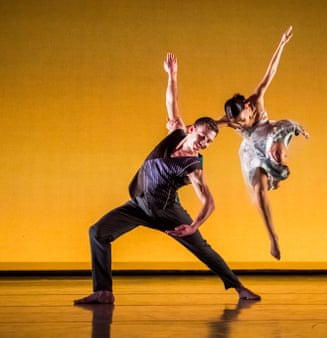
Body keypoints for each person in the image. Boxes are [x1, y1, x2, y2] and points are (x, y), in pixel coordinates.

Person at [74, 52, 260, 304]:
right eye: (202, 137)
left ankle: (239, 287)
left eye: (209, 142)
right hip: (139, 205)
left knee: (202, 249)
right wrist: (172, 75)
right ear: (191, 129)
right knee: (97, 232)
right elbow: (172, 103)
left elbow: (209, 202)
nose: (204, 144)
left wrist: (193, 225)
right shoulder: (176, 132)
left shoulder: (193, 165)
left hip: (167, 212)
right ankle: (104, 292)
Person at [218, 26, 309, 261]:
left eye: (243, 118)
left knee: (277, 154)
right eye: (236, 122)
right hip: (251, 150)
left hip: (269, 133)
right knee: (259, 190)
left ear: (247, 106)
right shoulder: (233, 123)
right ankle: (273, 237)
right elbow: (210, 125)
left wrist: (281, 44)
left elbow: (270, 74)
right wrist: (188, 128)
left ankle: (276, 174)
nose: (242, 123)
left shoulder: (255, 100)